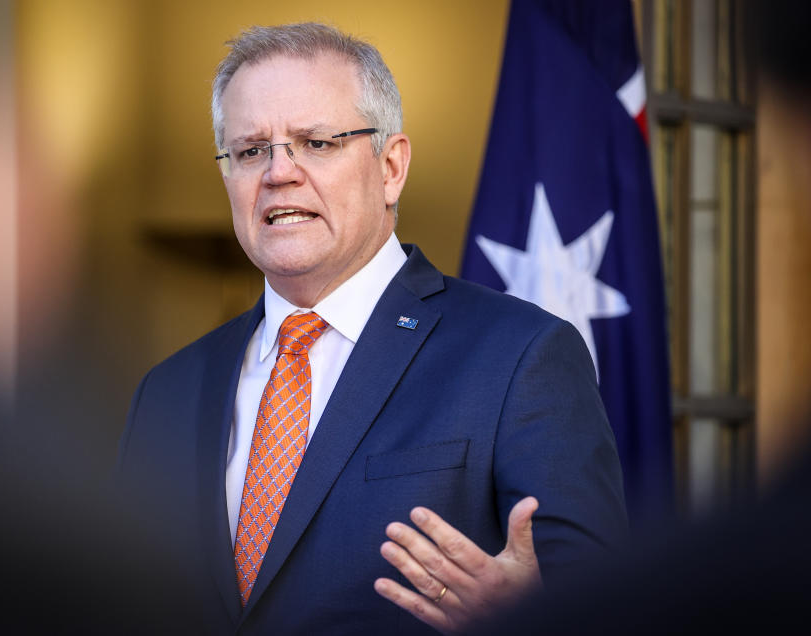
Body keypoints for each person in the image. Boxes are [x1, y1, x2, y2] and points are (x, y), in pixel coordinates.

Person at [117, 22, 628, 635]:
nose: (279, 172)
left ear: (391, 167)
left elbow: (604, 612)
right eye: (251, 150)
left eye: (317, 142)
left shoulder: (521, 358)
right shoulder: (166, 391)